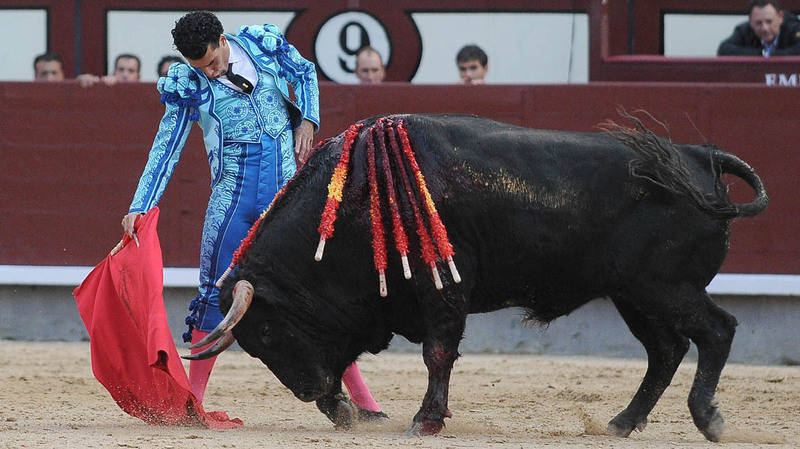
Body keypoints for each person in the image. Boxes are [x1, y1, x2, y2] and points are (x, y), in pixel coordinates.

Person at [119, 11, 386, 420]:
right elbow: (166, 147)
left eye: (212, 61)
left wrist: (309, 119)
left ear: (222, 40)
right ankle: (193, 401)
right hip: (232, 204)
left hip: (286, 204)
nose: (210, 71)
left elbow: (305, 70)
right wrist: (141, 204)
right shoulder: (190, 84)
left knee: (318, 298)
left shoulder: (261, 45)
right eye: (201, 67)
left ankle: (365, 404)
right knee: (213, 295)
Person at [717, 0, 800, 56]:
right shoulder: (744, 30)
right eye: (758, 23)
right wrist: (761, 53)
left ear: (780, 17)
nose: (765, 28)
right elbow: (724, 49)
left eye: (769, 21)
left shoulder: (793, 27)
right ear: (751, 22)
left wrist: (772, 55)